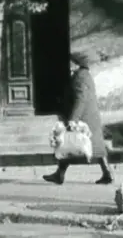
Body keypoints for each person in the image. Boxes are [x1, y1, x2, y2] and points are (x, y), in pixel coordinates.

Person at [43, 52, 114, 185]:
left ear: (77, 64)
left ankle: (60, 174)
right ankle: (107, 173)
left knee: (67, 143)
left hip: (83, 118)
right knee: (94, 146)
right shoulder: (83, 75)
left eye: (70, 63)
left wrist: (73, 119)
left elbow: (81, 98)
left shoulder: (80, 77)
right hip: (89, 116)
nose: (68, 66)